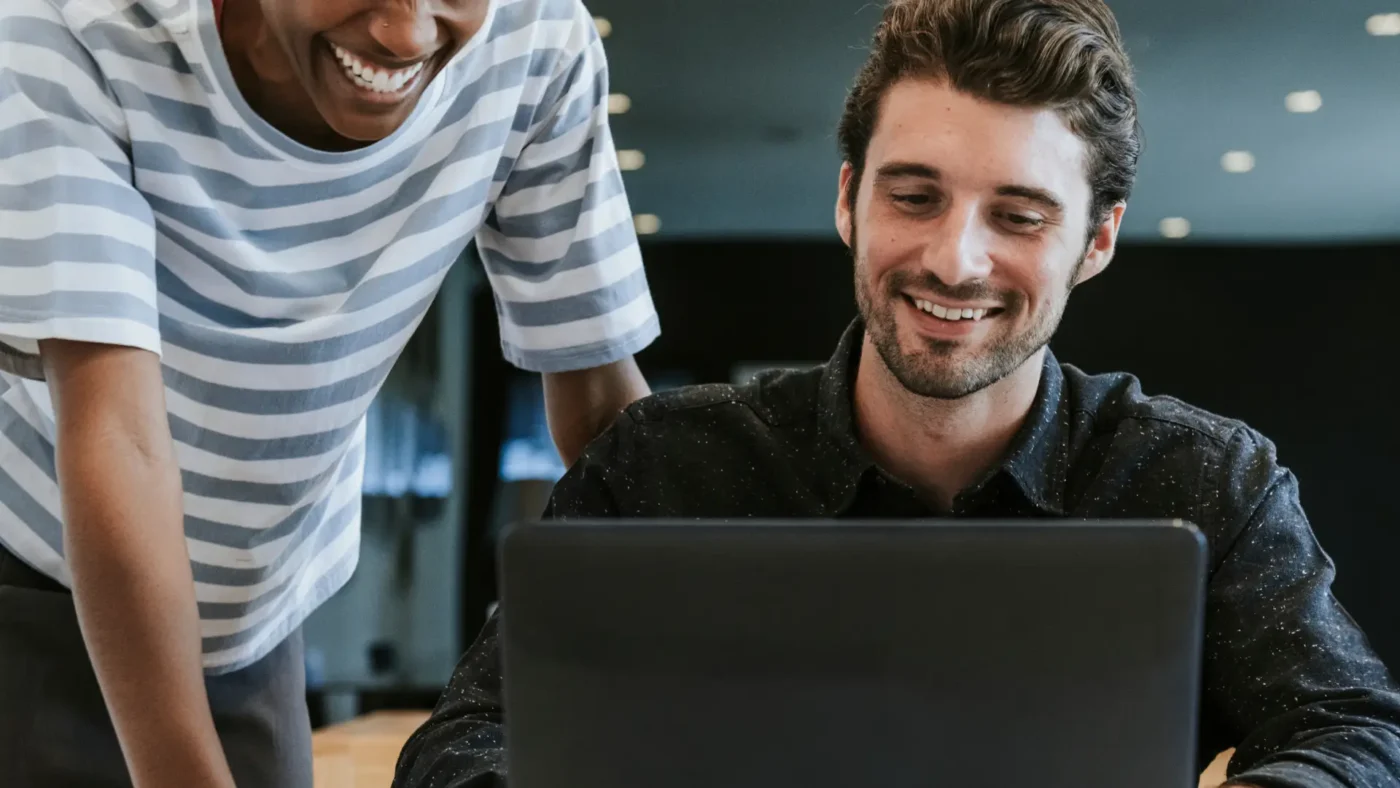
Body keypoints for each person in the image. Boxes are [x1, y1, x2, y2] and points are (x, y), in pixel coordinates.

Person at [392, 0, 1400, 786]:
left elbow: (1354, 733)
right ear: (847, 198)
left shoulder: (1202, 479)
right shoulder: (660, 464)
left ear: (1094, 240)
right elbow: (460, 746)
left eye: (1016, 214)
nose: (954, 259)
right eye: (912, 196)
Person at [0, 0, 659, 785]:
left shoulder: (540, 39)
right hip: (35, 575)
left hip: (259, 613)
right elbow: (120, 439)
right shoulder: (67, 28)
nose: (408, 35)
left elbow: (601, 406)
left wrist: (737, 654)